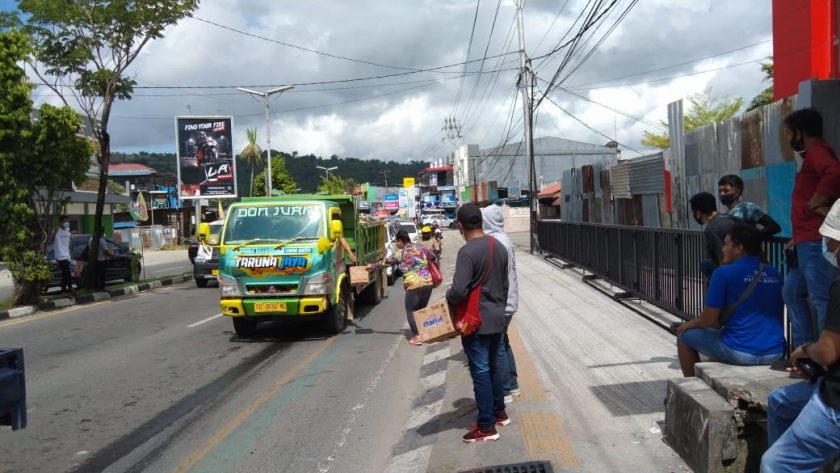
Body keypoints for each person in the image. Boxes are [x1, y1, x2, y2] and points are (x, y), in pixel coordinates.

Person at [761, 200, 840, 472]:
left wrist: (805, 350)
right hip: (829, 381)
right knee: (780, 402)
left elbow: (828, 350)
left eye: (830, 239)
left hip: (836, 404)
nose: (827, 247)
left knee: (774, 464)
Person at [675, 224, 785, 377]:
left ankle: (690, 385)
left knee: (684, 336)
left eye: (726, 244)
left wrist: (690, 323)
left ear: (738, 248)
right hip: (776, 353)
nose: (722, 249)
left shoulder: (722, 273)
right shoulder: (774, 273)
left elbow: (708, 320)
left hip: (740, 353)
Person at [446, 204, 509, 443]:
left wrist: (448, 298)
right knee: (492, 368)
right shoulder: (499, 246)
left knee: (481, 371)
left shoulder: (467, 252)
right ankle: (499, 412)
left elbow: (459, 290)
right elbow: (505, 286)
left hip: (476, 322)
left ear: (460, 226)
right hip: (497, 318)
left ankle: (486, 426)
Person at [782, 107, 840, 349]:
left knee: (822, 299)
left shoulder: (818, 152)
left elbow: (834, 173)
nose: (787, 139)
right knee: (792, 292)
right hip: (806, 241)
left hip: (816, 243)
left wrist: (817, 199)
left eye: (788, 134)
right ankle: (803, 352)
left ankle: (829, 359)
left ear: (799, 133)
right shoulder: (813, 155)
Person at [367, 230, 435, 346]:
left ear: (400, 241)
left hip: (413, 284)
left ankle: (417, 336)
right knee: (421, 309)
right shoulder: (422, 247)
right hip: (428, 282)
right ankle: (423, 333)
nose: (396, 244)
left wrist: (371, 266)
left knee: (410, 310)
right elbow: (433, 257)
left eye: (396, 242)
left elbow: (385, 263)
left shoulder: (400, 253)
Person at [482, 205, 520, 402]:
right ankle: (512, 383)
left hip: (502, 303)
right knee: (504, 343)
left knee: (497, 348)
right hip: (509, 300)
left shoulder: (497, 242)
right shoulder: (503, 238)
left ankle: (504, 389)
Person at [718, 174, 782, 239]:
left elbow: (773, 226)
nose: (722, 194)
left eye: (726, 191)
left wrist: (751, 238)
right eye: (720, 191)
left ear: (737, 192)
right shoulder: (727, 214)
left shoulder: (748, 208)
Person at [690, 192, 736, 281]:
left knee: (705, 265)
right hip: (753, 265)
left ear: (698, 213)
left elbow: (722, 259)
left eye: (694, 213)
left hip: (734, 268)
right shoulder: (730, 218)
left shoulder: (712, 229)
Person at [53, 215, 75, 296]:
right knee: (67, 272)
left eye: (68, 221)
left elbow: (68, 244)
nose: (67, 223)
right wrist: (54, 233)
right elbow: (51, 241)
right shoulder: (56, 230)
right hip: (60, 255)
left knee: (66, 273)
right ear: (61, 222)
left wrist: (71, 254)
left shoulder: (67, 231)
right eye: (65, 221)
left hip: (67, 255)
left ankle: (67, 290)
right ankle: (67, 289)